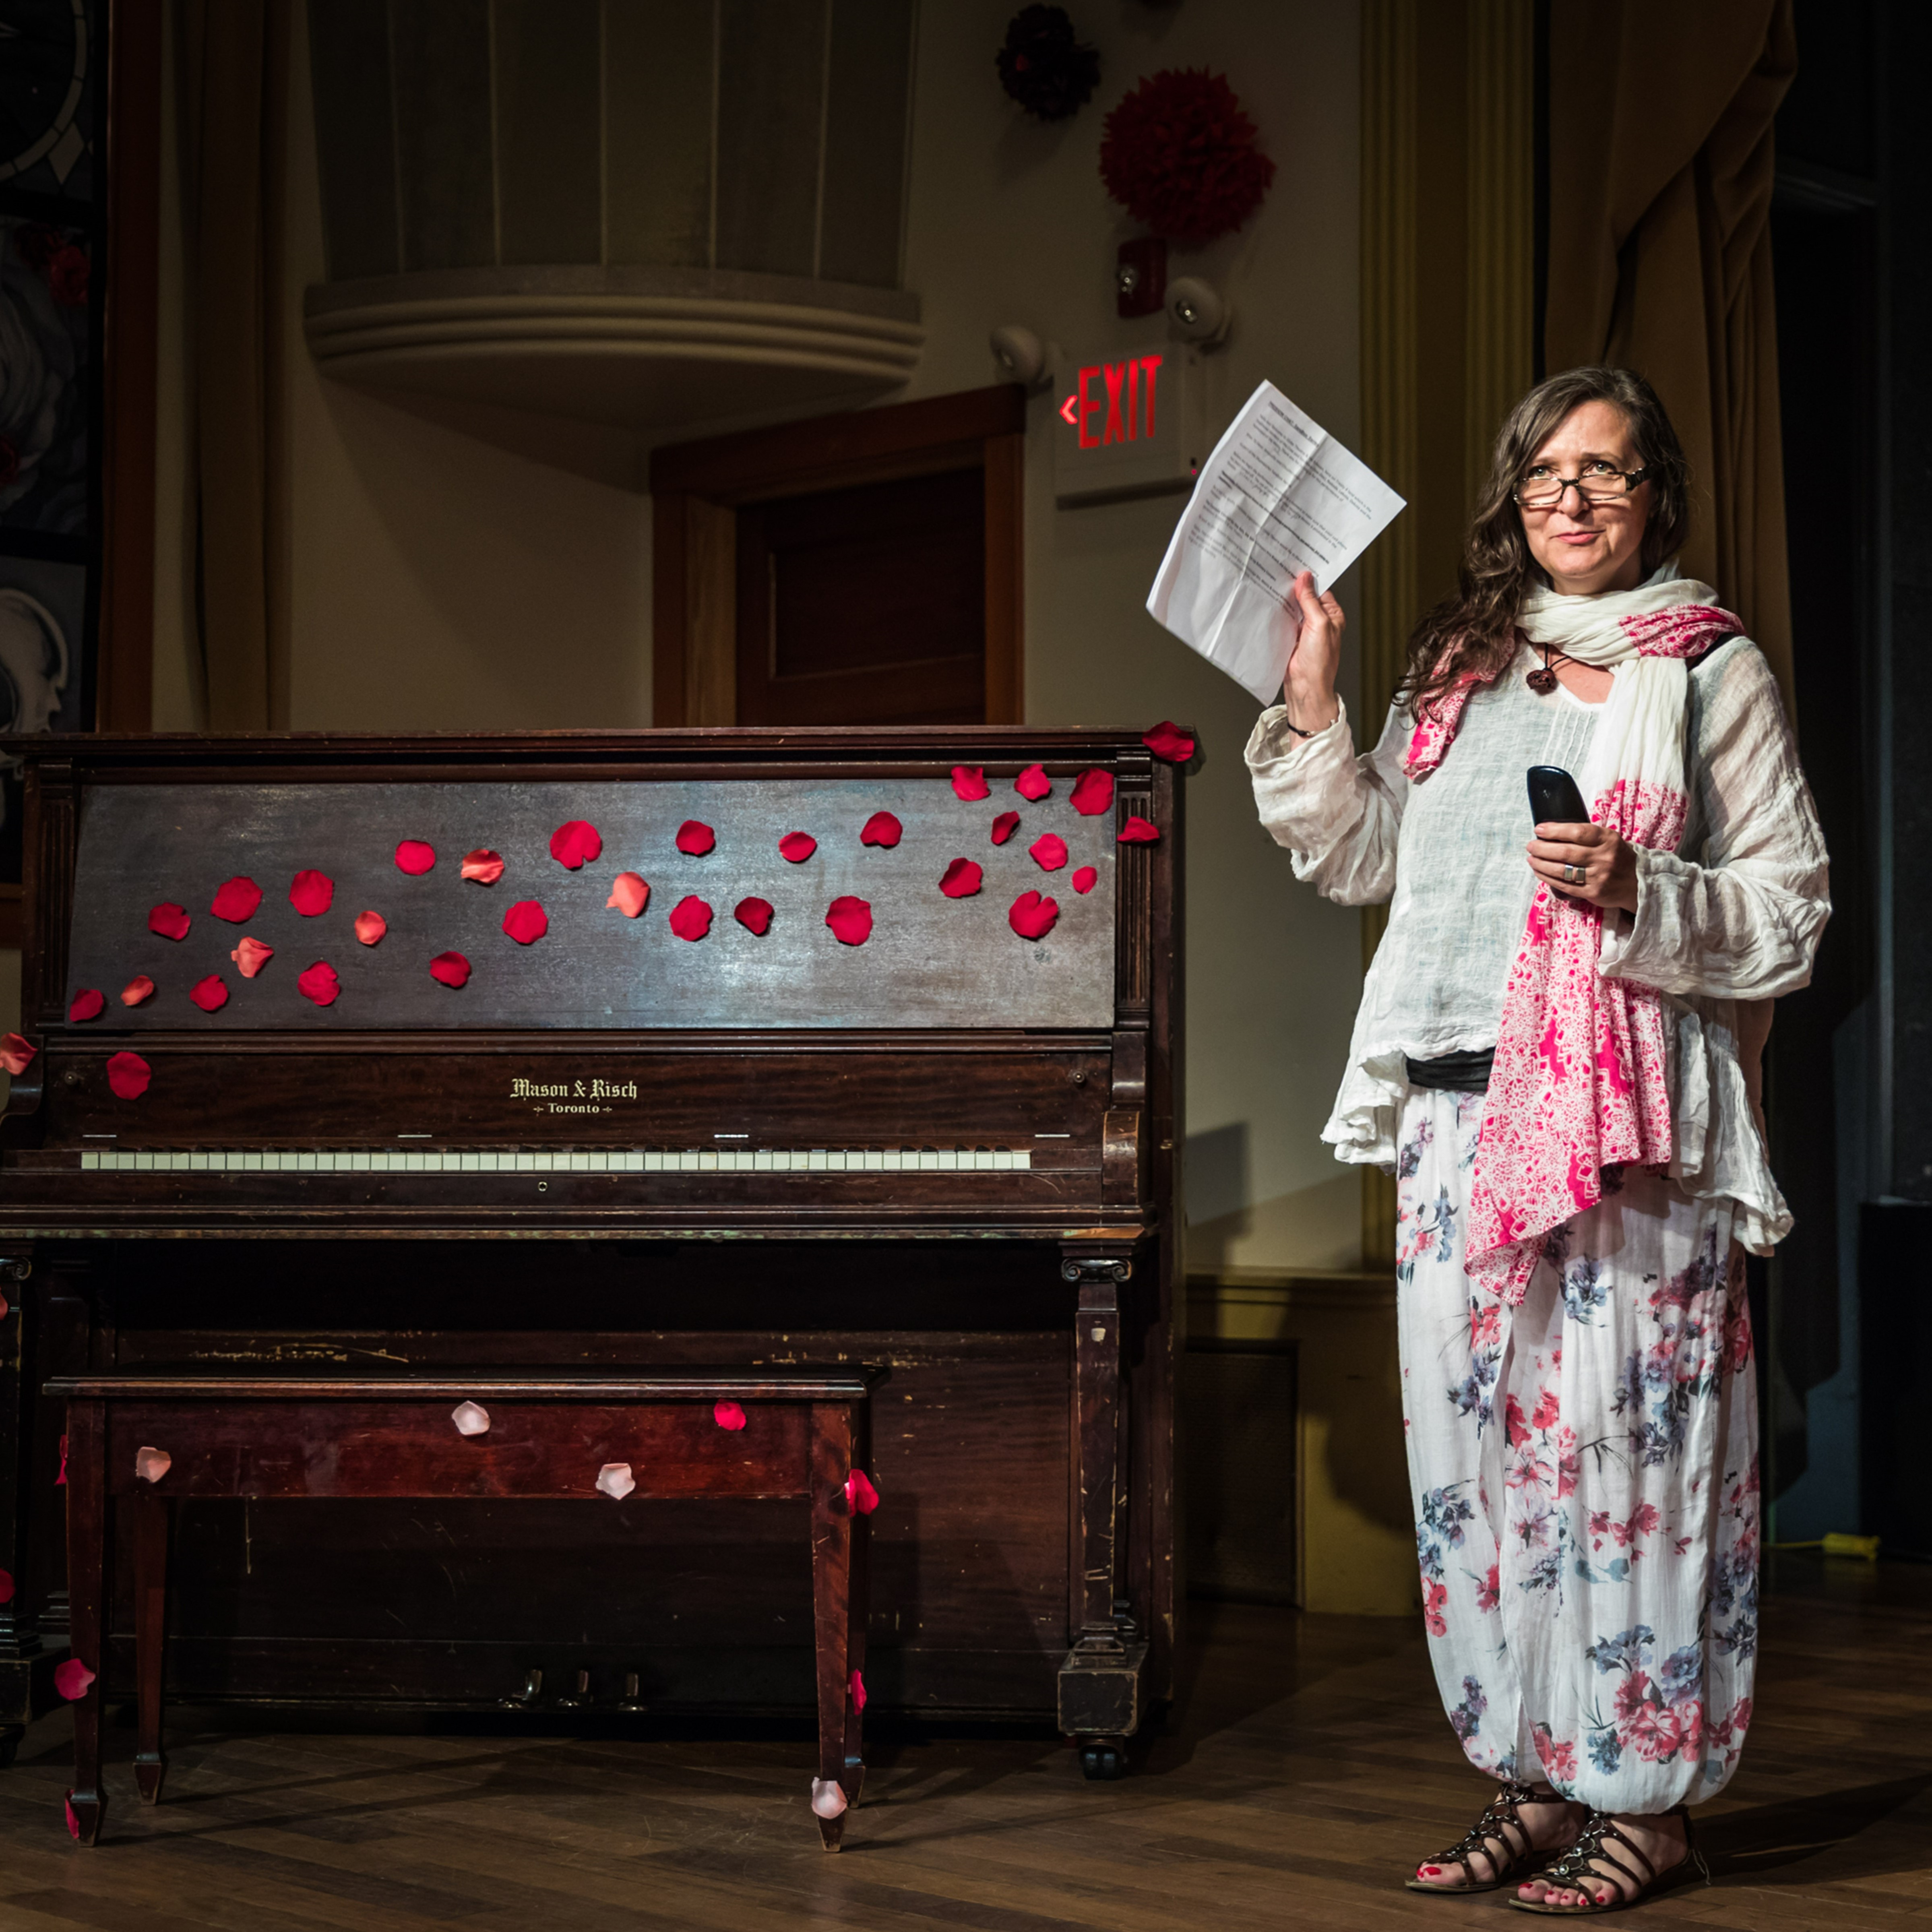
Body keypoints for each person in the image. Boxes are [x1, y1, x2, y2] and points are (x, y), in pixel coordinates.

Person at [1245, 366, 1828, 1914]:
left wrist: (1643, 887)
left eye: (1612, 472)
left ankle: (1646, 1798)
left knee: (1634, 1453)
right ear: (1513, 493)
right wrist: (1315, 699)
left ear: (1657, 502)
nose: (1575, 496)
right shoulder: (1455, 666)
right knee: (1479, 1465)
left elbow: (1792, 908)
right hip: (1454, 1113)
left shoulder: (1705, 668)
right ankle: (1533, 1768)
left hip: (1624, 1117)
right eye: (1549, 470)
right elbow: (1373, 856)